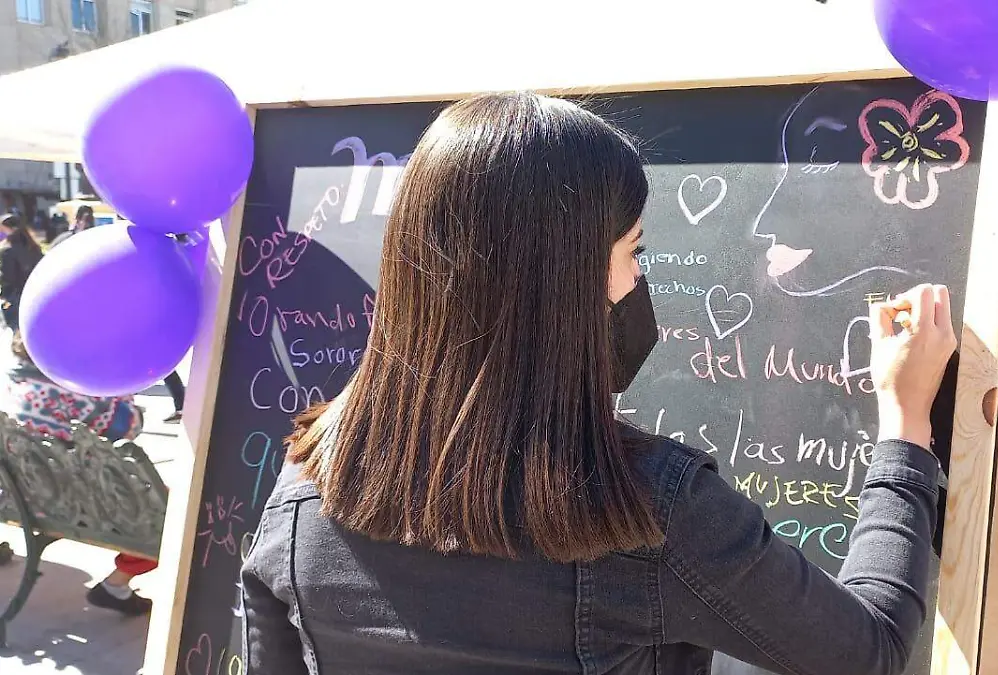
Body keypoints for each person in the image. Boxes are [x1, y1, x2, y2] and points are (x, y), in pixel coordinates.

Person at [241, 93, 958, 675]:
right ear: (562, 285)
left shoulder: (308, 484)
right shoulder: (649, 509)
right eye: (631, 251)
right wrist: (906, 426)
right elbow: (865, 649)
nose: (637, 280)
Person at [0, 331, 156, 615]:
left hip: (18, 499)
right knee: (171, 515)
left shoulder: (13, 384)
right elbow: (131, 426)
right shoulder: (84, 395)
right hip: (78, 507)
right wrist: (122, 387)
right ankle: (115, 585)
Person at [0, 214, 44, 331]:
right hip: (36, 295)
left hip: (17, 297)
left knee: (18, 331)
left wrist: (4, 295)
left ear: (8, 229)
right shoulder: (34, 247)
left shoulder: (8, 251)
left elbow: (8, 279)